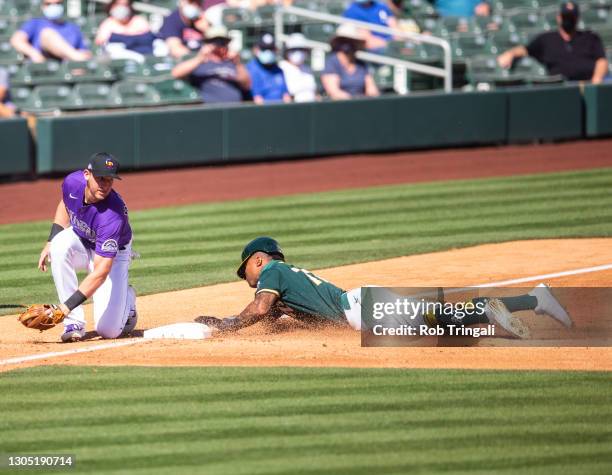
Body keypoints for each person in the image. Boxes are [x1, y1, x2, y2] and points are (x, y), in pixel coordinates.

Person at [194, 237, 573, 337]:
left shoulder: (273, 273)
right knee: (443, 320)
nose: (247, 279)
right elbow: (270, 317)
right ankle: (531, 299)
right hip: (363, 305)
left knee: (447, 318)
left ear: (258, 259)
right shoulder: (286, 278)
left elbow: (260, 311)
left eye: (245, 270)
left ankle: (518, 302)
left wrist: (226, 326)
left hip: (364, 308)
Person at [38, 153, 137, 343]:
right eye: (100, 178)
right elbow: (66, 204)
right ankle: (73, 323)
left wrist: (64, 307)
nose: (105, 185)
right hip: (83, 242)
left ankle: (128, 299)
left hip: (113, 256)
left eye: (110, 180)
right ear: (86, 174)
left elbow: (101, 271)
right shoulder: (72, 182)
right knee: (59, 244)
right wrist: (51, 241)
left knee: (109, 331)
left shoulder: (111, 216)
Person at [497, 2, 609, 84]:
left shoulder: (590, 37)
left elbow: (602, 60)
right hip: (559, 87)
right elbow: (526, 50)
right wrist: (511, 53)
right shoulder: (547, 39)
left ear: (577, 18)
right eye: (566, 17)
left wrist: (596, 80)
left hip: (587, 84)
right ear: (559, 18)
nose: (568, 21)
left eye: (571, 17)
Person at [172, 25, 251, 103]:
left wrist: (237, 63)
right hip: (209, 109)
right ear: (207, 42)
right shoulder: (200, 61)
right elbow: (176, 73)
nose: (219, 45)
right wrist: (200, 58)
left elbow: (247, 85)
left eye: (223, 41)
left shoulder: (232, 62)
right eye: (215, 41)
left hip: (234, 108)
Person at [10, 0, 91, 62]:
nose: (53, 6)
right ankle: (74, 57)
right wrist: (34, 53)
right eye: (48, 4)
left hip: (68, 68)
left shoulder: (72, 28)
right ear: (42, 6)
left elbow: (84, 52)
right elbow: (16, 40)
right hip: (44, 67)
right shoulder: (35, 23)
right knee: (47, 34)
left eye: (57, 3)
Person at [321, 24, 379, 100]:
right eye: (344, 41)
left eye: (351, 41)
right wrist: (354, 100)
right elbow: (334, 91)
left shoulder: (361, 64)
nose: (348, 44)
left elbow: (371, 89)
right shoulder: (332, 62)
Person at [246, 33, 291, 104]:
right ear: (256, 49)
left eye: (270, 49)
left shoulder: (278, 70)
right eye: (264, 49)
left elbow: (286, 96)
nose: (268, 52)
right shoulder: (250, 69)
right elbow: (257, 99)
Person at [279, 33, 317, 102]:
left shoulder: (307, 69)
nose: (298, 52)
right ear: (287, 51)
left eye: (301, 49)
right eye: (294, 50)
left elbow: (314, 92)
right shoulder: (281, 68)